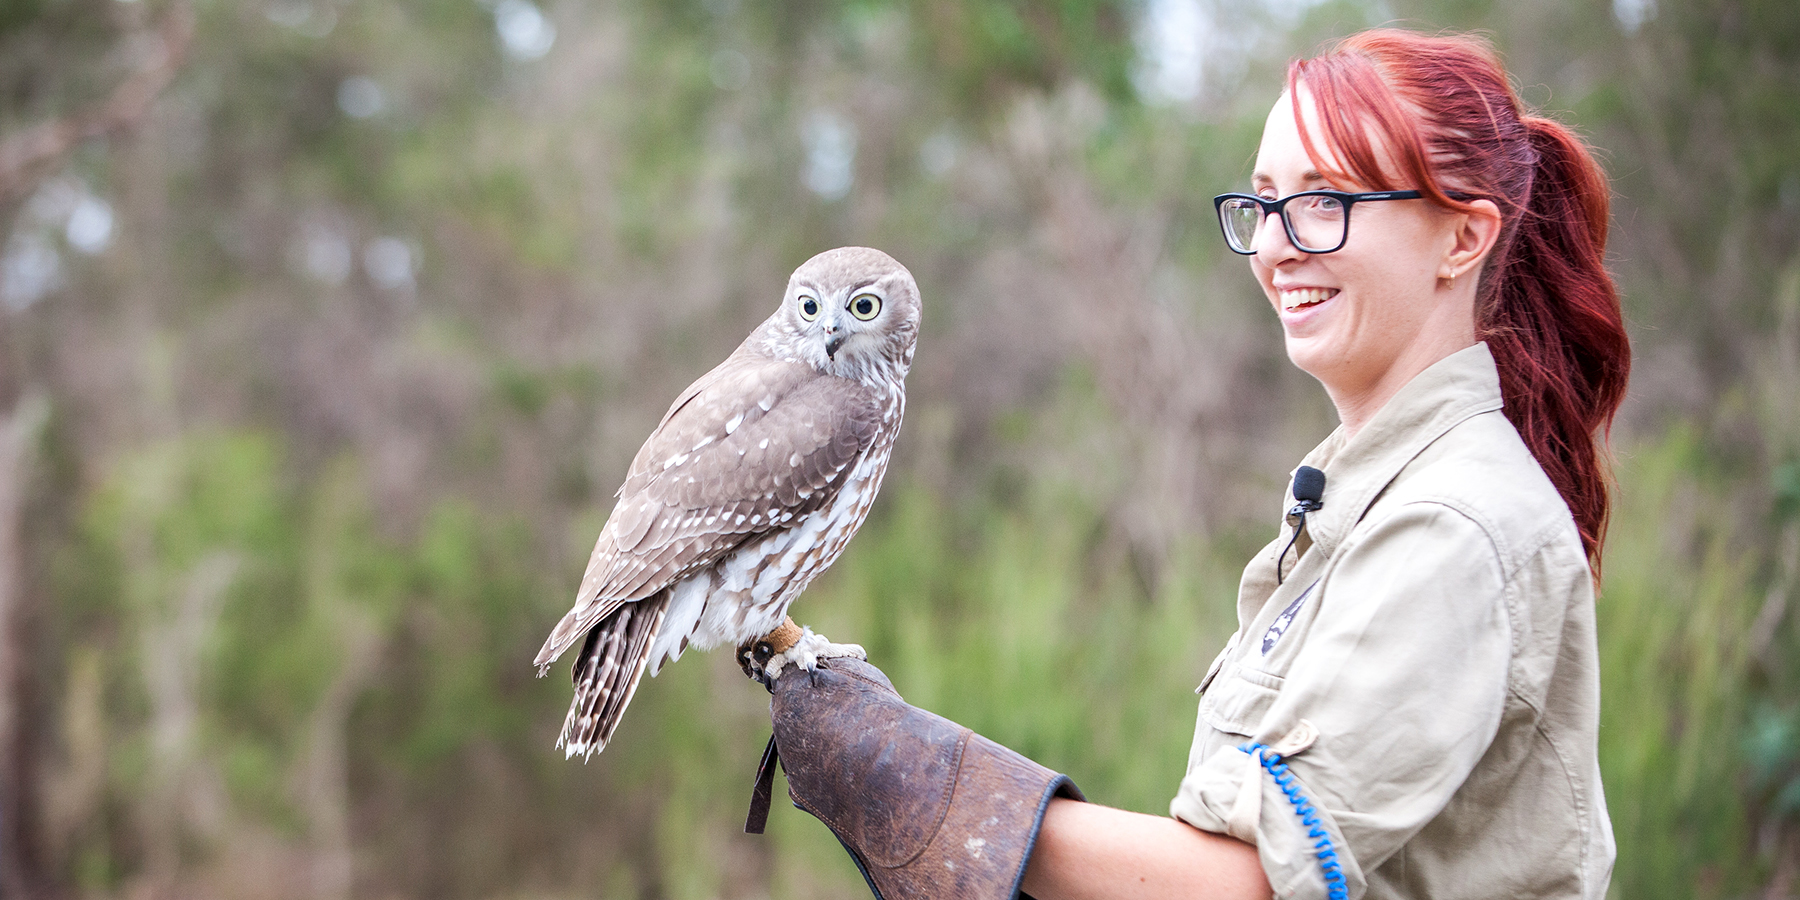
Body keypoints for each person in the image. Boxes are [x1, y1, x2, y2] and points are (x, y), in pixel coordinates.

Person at [751, 28, 1629, 900]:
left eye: (1325, 201)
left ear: (1462, 238)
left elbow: (1244, 882)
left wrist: (926, 784)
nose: (1279, 246)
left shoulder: (1451, 525)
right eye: (1263, 203)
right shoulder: (1362, 501)